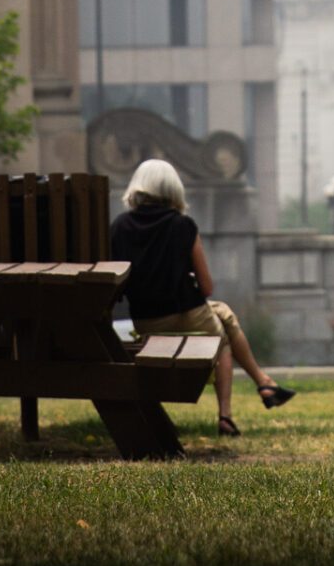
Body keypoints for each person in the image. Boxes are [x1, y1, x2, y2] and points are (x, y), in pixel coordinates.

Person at [110, 158, 295, 437]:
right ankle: (228, 414)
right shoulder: (182, 225)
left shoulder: (120, 226)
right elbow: (207, 287)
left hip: (147, 320)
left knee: (224, 313)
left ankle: (264, 382)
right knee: (221, 341)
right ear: (173, 189)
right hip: (187, 311)